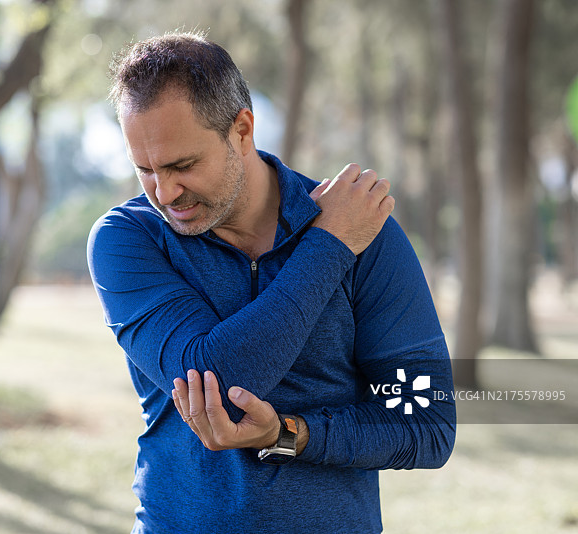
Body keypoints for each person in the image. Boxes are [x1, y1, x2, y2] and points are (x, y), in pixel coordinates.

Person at [87, 31, 455, 533]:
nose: (165, 192)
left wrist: (291, 434)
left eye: (182, 165)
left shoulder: (364, 229)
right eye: (145, 170)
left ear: (242, 129)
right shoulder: (129, 238)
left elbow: (426, 425)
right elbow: (217, 380)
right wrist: (328, 247)